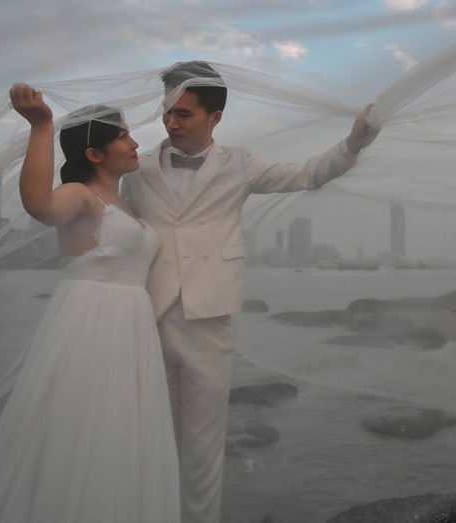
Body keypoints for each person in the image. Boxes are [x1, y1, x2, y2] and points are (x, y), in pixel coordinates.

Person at [120, 60, 380, 523]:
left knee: (202, 444)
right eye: (167, 112)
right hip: (147, 315)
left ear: (215, 116)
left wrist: (353, 142)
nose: (170, 122)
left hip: (209, 318)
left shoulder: (239, 163)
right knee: (146, 437)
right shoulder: (136, 169)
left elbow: (308, 173)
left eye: (184, 114)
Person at [0, 84, 180, 523]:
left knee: (120, 435)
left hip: (132, 330)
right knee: (82, 430)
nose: (135, 141)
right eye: (123, 136)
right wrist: (42, 126)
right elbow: (39, 204)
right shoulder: (80, 195)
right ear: (95, 155)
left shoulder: (127, 200)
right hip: (92, 326)